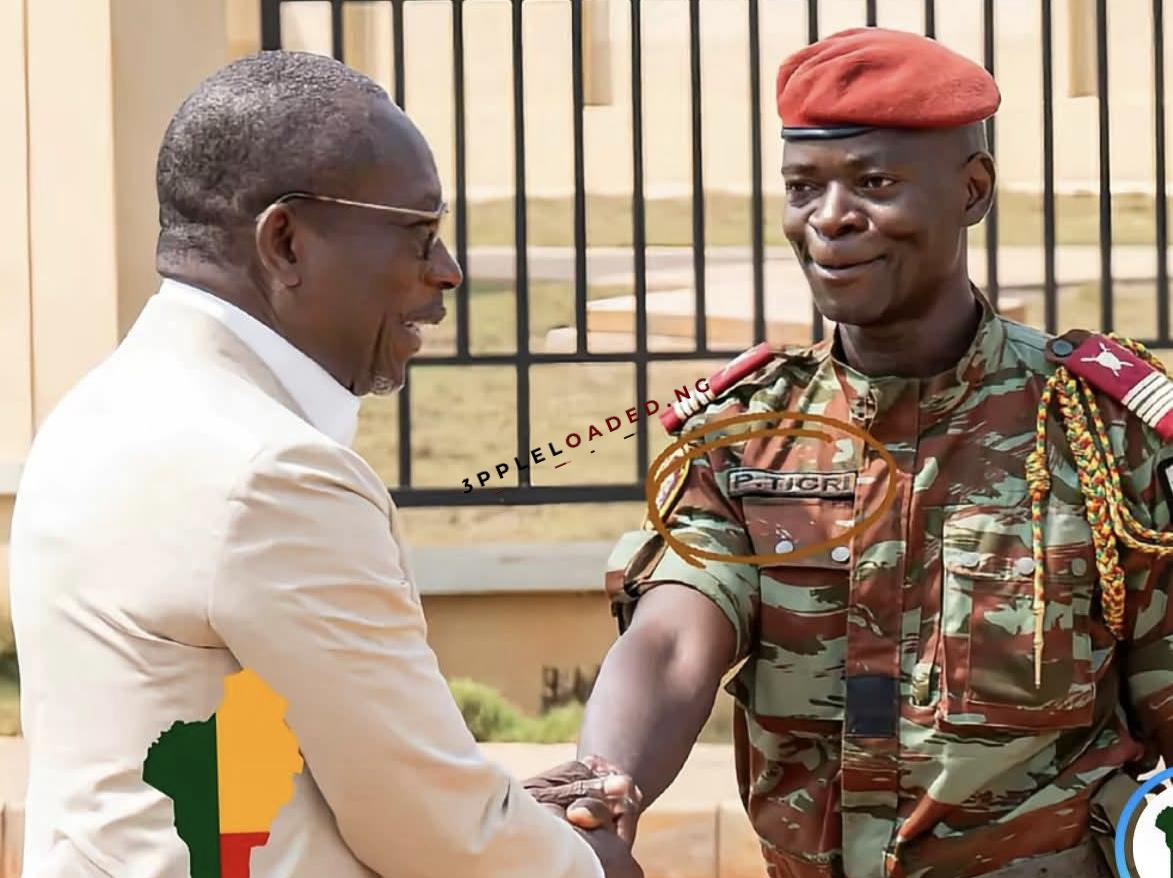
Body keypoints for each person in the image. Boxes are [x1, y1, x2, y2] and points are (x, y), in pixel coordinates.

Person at [9, 51, 639, 878]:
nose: (446, 271)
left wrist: (507, 813)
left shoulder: (103, 407)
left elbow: (228, 763)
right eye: (417, 233)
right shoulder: (269, 473)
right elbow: (427, 828)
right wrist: (585, 863)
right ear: (285, 242)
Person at [569, 27, 1173, 878]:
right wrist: (602, 789)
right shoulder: (749, 435)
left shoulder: (1098, 433)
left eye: (873, 183)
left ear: (971, 190)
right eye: (802, 186)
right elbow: (670, 641)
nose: (829, 218)